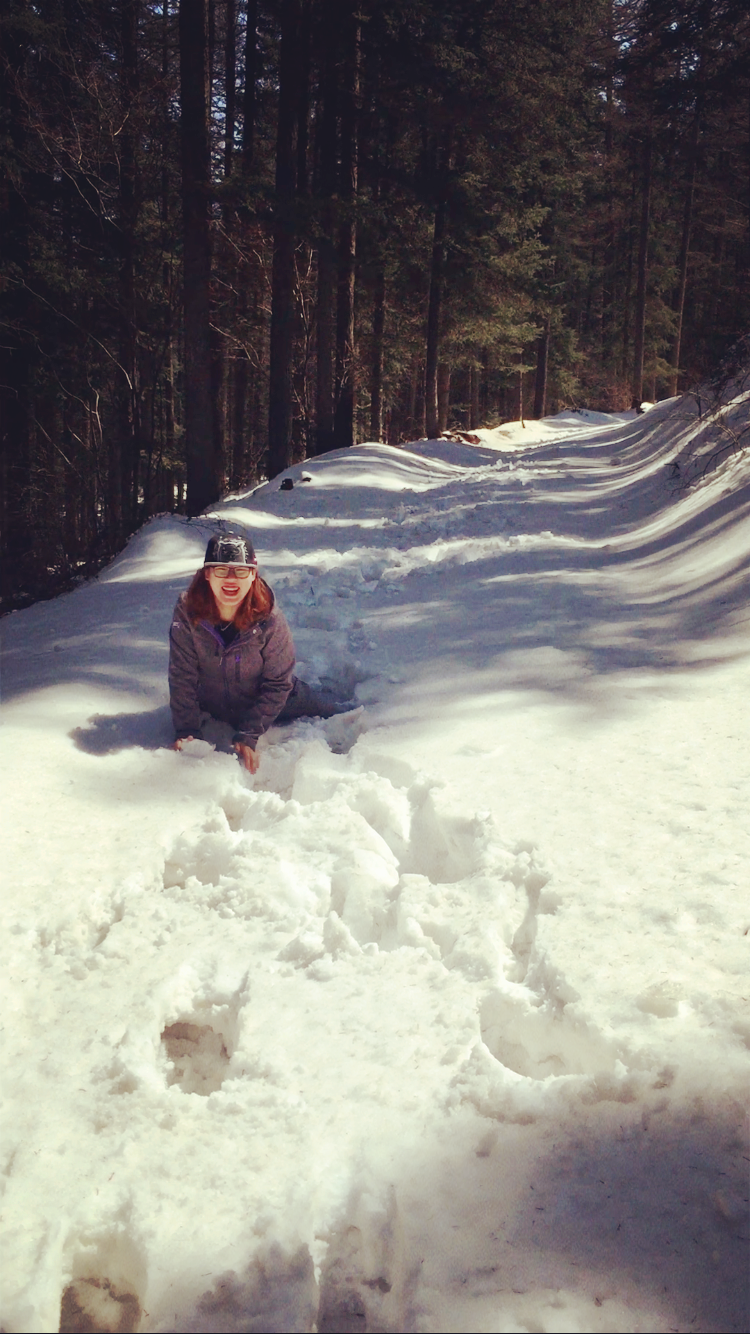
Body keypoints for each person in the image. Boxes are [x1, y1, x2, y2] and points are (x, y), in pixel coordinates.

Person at [169, 532, 350, 773]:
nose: (231, 580)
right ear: (207, 574)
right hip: (214, 704)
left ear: (253, 574)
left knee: (337, 711)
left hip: (279, 701)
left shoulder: (269, 617)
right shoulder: (188, 612)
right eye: (221, 570)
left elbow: (278, 684)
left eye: (241, 571)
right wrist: (187, 731)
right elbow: (183, 676)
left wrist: (250, 731)